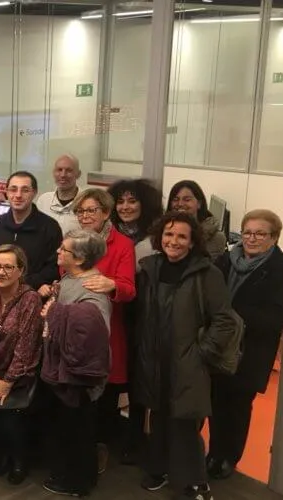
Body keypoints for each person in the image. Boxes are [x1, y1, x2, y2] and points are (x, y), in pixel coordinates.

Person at [133, 212, 239, 500]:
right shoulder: (150, 267)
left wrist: (200, 354)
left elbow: (224, 320)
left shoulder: (208, 274)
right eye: (168, 234)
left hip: (188, 361)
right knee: (158, 416)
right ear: (159, 237)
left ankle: (194, 482)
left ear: (193, 242)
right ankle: (159, 469)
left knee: (185, 422)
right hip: (155, 359)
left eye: (182, 236)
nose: (174, 241)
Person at [61, 188, 136, 474]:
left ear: (106, 213)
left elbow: (128, 289)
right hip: (73, 326)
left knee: (102, 396)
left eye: (91, 210)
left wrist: (111, 284)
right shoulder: (73, 241)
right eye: (80, 211)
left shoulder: (122, 244)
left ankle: (99, 447)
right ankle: (78, 448)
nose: (85, 216)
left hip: (106, 328)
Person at [208, 210, 283, 479]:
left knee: (238, 407)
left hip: (250, 351)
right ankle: (214, 453)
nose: (251, 238)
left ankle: (229, 457)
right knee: (216, 402)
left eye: (260, 233)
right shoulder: (227, 258)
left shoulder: (278, 270)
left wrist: (231, 315)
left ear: (273, 238)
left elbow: (275, 318)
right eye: (247, 232)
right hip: (218, 346)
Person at [40, 229, 111, 497]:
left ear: (79, 258)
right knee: (66, 427)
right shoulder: (70, 278)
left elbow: (91, 336)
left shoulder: (93, 288)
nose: (58, 252)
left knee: (79, 430)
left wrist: (54, 313)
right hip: (62, 370)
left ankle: (78, 482)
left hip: (79, 376)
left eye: (63, 250)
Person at [0, 244, 42, 485]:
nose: (1, 272)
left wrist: (6, 383)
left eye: (8, 267)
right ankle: (2, 454)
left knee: (12, 420)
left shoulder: (30, 298)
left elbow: (26, 345)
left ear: (20, 271)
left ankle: (18, 459)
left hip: (17, 373)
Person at [0, 171, 63, 288]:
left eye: (25, 190)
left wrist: (20, 285)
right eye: (13, 189)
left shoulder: (50, 228)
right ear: (7, 192)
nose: (18, 195)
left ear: (34, 193)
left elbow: (53, 269)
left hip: (32, 296)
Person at [108, 178, 164, 269]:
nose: (125, 207)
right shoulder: (108, 234)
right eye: (120, 202)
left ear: (146, 204)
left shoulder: (156, 238)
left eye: (132, 201)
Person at [168, 180, 228, 259]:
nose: (180, 204)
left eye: (187, 200)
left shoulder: (216, 238)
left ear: (199, 204)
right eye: (175, 199)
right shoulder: (162, 232)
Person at [35, 154, 82, 236]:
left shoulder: (86, 201)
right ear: (53, 173)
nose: (63, 175)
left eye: (69, 170)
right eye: (59, 170)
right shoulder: (43, 200)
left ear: (78, 174)